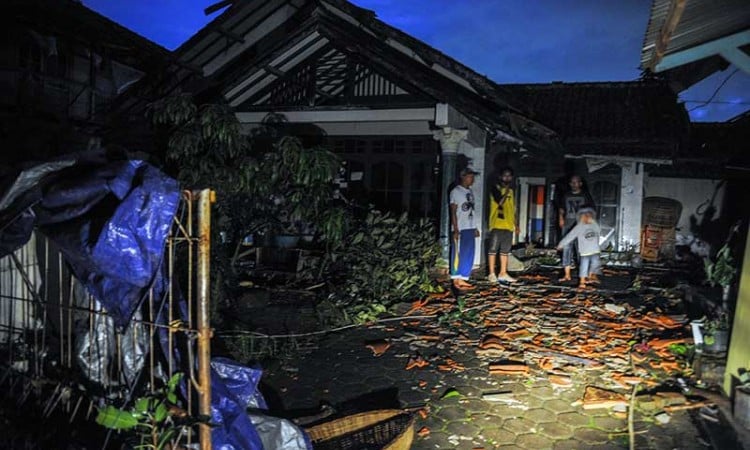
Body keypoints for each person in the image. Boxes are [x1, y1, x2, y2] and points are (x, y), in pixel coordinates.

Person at [558, 174, 595, 282]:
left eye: (576, 182)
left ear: (580, 183)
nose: (574, 184)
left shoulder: (585, 195)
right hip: (568, 225)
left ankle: (583, 275)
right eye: (572, 182)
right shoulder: (566, 195)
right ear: (570, 184)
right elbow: (561, 208)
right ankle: (567, 274)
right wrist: (560, 218)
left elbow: (591, 209)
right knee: (566, 248)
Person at [449, 167, 480, 289]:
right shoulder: (455, 191)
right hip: (461, 226)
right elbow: (453, 211)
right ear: (463, 177)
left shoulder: (470, 192)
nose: (472, 180)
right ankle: (456, 278)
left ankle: (464, 277)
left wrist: (475, 227)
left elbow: (472, 210)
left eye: (472, 177)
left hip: (470, 226)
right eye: (470, 177)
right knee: (458, 253)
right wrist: (455, 229)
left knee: (468, 253)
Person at [556, 206, 601, 288]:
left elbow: (598, 230)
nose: (587, 217)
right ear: (580, 217)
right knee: (584, 266)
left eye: (589, 216)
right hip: (585, 252)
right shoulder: (579, 227)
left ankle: (591, 276)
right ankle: (582, 281)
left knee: (595, 265)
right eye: (584, 216)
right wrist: (561, 244)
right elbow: (570, 236)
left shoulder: (594, 225)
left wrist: (593, 222)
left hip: (595, 251)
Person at [487, 167, 518, 283]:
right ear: (500, 177)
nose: (507, 178)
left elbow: (512, 209)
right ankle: (491, 273)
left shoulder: (511, 191)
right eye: (505, 175)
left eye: (509, 176)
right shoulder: (496, 188)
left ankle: (503, 272)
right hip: (497, 224)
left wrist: (516, 224)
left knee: (505, 251)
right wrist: (506, 191)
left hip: (508, 225)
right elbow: (500, 202)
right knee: (493, 249)